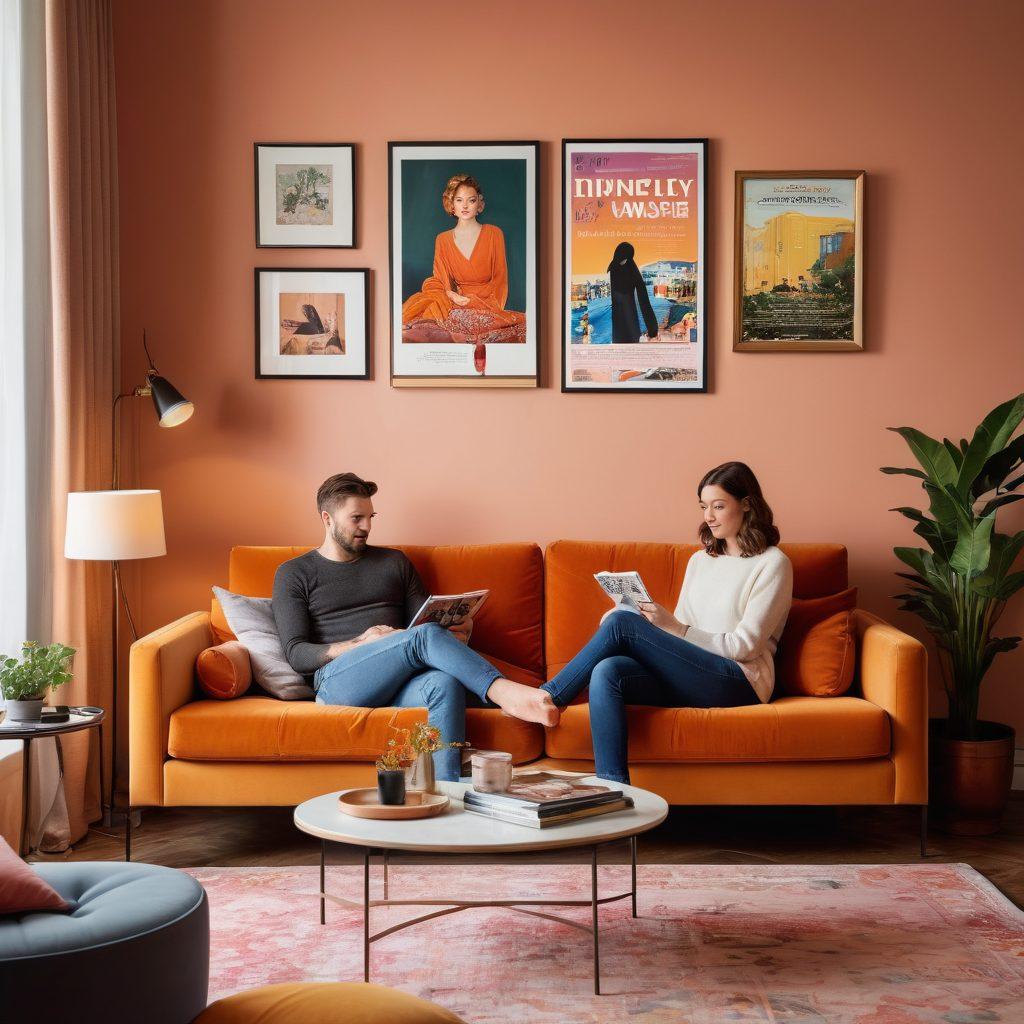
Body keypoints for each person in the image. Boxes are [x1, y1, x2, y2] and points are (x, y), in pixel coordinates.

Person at [272, 473, 558, 781]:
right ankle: (504, 693)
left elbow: (424, 625)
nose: (366, 527)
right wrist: (361, 644)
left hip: (401, 678)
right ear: (327, 518)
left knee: (443, 683)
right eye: (356, 518)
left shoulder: (394, 562)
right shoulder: (294, 573)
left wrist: (461, 630)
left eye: (370, 517)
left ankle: (446, 790)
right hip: (339, 682)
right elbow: (297, 653)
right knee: (422, 638)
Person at [539, 462, 793, 784]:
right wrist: (641, 617)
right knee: (608, 670)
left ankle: (547, 698)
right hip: (690, 673)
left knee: (621, 625)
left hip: (739, 680)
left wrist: (671, 628)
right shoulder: (701, 560)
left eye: (718, 506)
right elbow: (680, 629)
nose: (708, 517)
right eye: (703, 507)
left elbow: (744, 647)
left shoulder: (773, 564)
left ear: (746, 504)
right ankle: (615, 790)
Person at [401, 173, 526, 347]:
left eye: (471, 200)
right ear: (451, 204)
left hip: (488, 307)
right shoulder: (442, 239)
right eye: (459, 200)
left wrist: (480, 305)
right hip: (454, 305)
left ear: (479, 204)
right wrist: (451, 295)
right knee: (418, 327)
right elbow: (441, 280)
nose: (465, 206)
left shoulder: (494, 233)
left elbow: (500, 282)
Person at [607, 242, 658, 343]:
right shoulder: (614, 268)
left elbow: (644, 300)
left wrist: (652, 329)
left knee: (632, 337)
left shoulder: (630, 269)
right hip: (618, 315)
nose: (624, 260)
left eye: (627, 258)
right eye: (624, 257)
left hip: (629, 310)